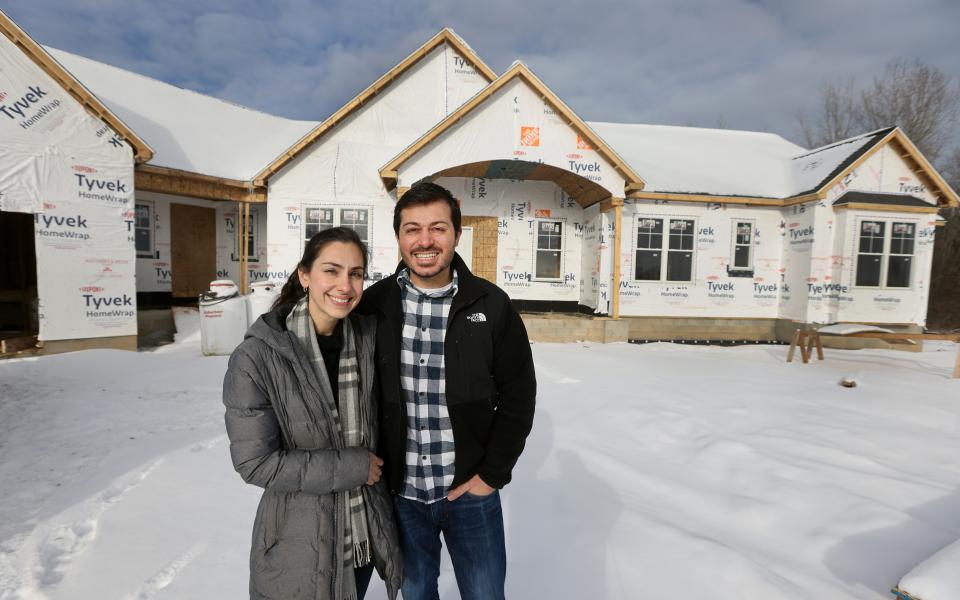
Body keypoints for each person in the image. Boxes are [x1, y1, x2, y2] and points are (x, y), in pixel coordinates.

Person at [356, 182, 537, 600]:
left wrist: (490, 476)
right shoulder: (374, 305)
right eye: (412, 228)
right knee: (417, 594)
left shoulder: (491, 305)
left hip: (470, 494)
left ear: (457, 233)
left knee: (485, 594)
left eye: (437, 228)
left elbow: (518, 395)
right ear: (399, 237)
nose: (424, 241)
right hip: (402, 497)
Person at [223, 227, 402, 600]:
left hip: (363, 536)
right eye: (331, 270)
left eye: (356, 273)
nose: (345, 285)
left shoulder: (368, 341)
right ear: (305, 275)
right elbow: (255, 463)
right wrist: (352, 466)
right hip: (300, 546)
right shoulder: (257, 358)